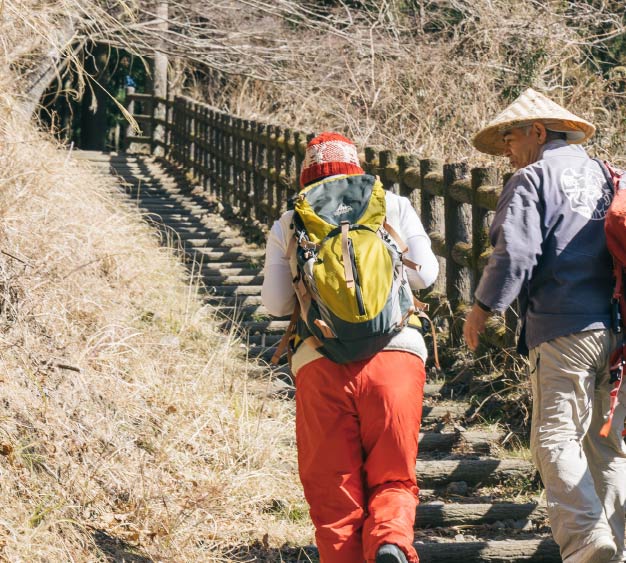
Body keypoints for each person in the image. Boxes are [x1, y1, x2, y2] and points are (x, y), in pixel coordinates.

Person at [463, 87, 626, 563]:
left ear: (537, 131)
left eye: (510, 139)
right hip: (617, 329)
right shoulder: (607, 174)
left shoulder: (532, 179)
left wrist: (482, 308)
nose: (508, 151)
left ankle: (583, 540)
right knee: (606, 442)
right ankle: (616, 542)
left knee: (554, 435)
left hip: (563, 324)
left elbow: (515, 252)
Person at [261, 132, 439, 563]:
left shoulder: (291, 220)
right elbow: (427, 276)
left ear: (306, 173)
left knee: (333, 493)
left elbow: (274, 304)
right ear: (357, 168)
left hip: (320, 361)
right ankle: (391, 541)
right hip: (396, 355)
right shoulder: (391, 205)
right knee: (393, 475)